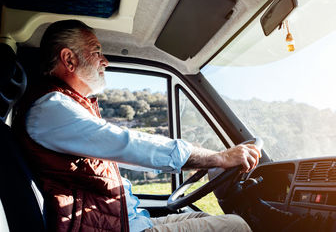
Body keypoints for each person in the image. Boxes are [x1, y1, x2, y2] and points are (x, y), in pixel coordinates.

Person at [14, 20, 261, 232]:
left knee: (208, 220)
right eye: (96, 51)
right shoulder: (51, 108)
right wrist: (218, 158)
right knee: (235, 227)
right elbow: (128, 144)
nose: (105, 61)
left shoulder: (68, 106)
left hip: (125, 222)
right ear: (69, 59)